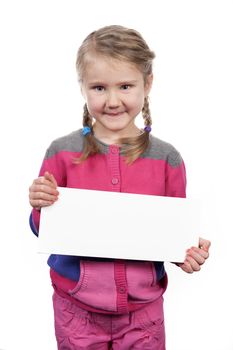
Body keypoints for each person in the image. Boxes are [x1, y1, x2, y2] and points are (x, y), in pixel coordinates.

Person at [29, 25, 211, 350]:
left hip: (143, 315)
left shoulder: (167, 159)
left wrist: (186, 252)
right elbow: (42, 229)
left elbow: (171, 235)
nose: (113, 101)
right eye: (99, 87)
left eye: (125, 86)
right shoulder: (62, 152)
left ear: (148, 83)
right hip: (76, 309)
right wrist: (40, 206)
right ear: (83, 88)